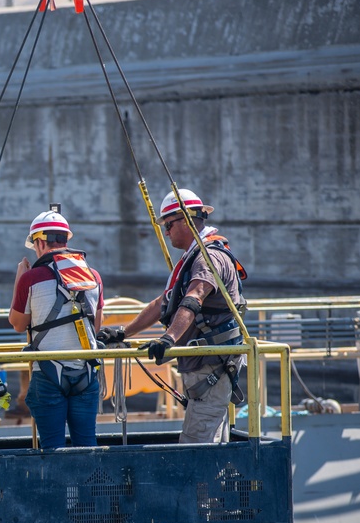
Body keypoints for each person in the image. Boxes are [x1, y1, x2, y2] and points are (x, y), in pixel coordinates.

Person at [96, 188, 247, 444]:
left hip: (212, 365)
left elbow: (195, 297)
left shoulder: (208, 257)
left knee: (196, 445)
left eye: (168, 225)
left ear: (186, 220)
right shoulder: (192, 257)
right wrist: (122, 332)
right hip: (206, 366)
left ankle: (201, 486)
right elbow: (162, 303)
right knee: (209, 440)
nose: (166, 232)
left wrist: (168, 338)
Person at [9, 208, 104, 449]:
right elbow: (97, 326)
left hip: (48, 374)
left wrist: (20, 279)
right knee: (87, 447)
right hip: (86, 372)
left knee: (52, 449)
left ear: (40, 242)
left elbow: (18, 324)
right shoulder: (93, 276)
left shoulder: (31, 278)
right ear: (65, 240)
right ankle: (91, 487)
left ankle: (61, 489)